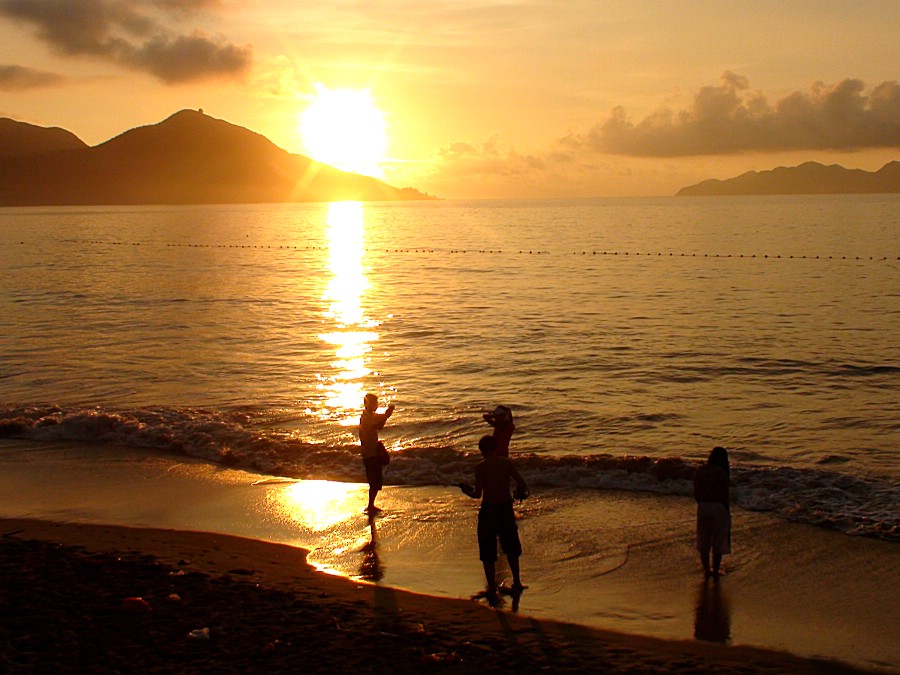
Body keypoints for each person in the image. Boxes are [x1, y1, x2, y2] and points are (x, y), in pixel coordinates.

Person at [459, 435, 529, 596]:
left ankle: (491, 586)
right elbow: (522, 483)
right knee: (511, 547)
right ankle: (517, 582)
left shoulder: (481, 467)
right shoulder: (506, 463)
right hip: (505, 508)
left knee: (487, 549)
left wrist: (465, 490)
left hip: (488, 509)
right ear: (496, 448)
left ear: (481, 450)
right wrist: (518, 492)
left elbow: (477, 495)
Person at [693, 446, 731, 578]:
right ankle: (715, 570)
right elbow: (724, 494)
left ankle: (706, 569)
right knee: (718, 540)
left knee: (703, 539)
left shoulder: (701, 470)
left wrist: (701, 504)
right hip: (719, 506)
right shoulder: (722, 472)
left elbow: (696, 491)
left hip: (703, 506)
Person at [358, 393, 394, 514]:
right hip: (370, 452)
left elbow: (380, 425)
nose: (376, 406)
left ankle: (371, 505)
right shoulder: (366, 417)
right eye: (374, 403)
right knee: (374, 481)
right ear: (368, 404)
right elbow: (378, 424)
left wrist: (386, 416)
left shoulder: (369, 415)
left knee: (375, 481)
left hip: (371, 451)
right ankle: (370, 505)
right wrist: (386, 415)